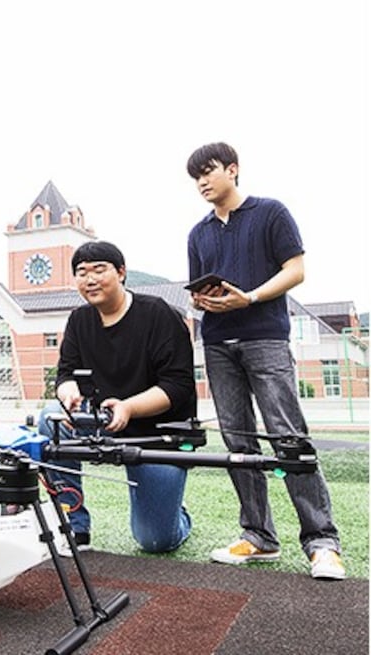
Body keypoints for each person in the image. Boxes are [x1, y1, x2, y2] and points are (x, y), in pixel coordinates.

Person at [186, 142, 344, 580]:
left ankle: (322, 542)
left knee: (288, 437)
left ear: (232, 170)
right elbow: (201, 292)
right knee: (238, 442)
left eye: (208, 171)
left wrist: (250, 297)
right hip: (217, 343)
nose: (201, 181)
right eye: (195, 176)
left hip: (266, 338)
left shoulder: (271, 212)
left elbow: (296, 270)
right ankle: (258, 536)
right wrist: (206, 300)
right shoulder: (197, 233)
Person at [38, 240, 196, 554]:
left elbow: (178, 386)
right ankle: (74, 524)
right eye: (81, 272)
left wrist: (128, 407)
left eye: (99, 270)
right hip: (102, 423)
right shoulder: (80, 320)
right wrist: (68, 392)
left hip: (156, 436)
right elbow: (66, 374)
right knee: (50, 417)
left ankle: (176, 513)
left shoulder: (158, 314)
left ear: (121, 273)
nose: (90, 279)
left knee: (155, 541)